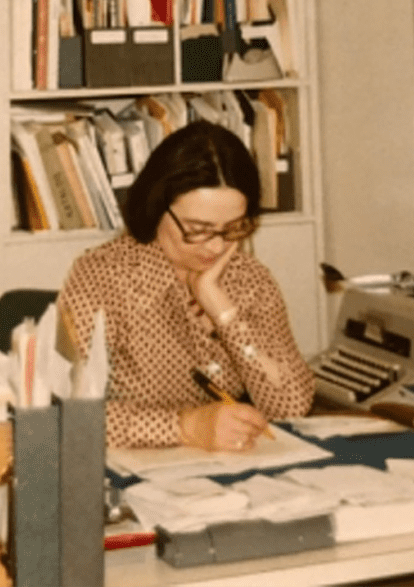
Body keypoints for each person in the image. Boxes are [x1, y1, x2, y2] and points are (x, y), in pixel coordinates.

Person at [57, 119, 314, 452]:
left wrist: (222, 310)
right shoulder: (103, 276)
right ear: (156, 206)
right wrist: (186, 427)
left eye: (233, 228)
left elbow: (291, 407)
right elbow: (67, 414)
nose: (215, 247)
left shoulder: (250, 279)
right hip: (133, 477)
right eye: (197, 228)